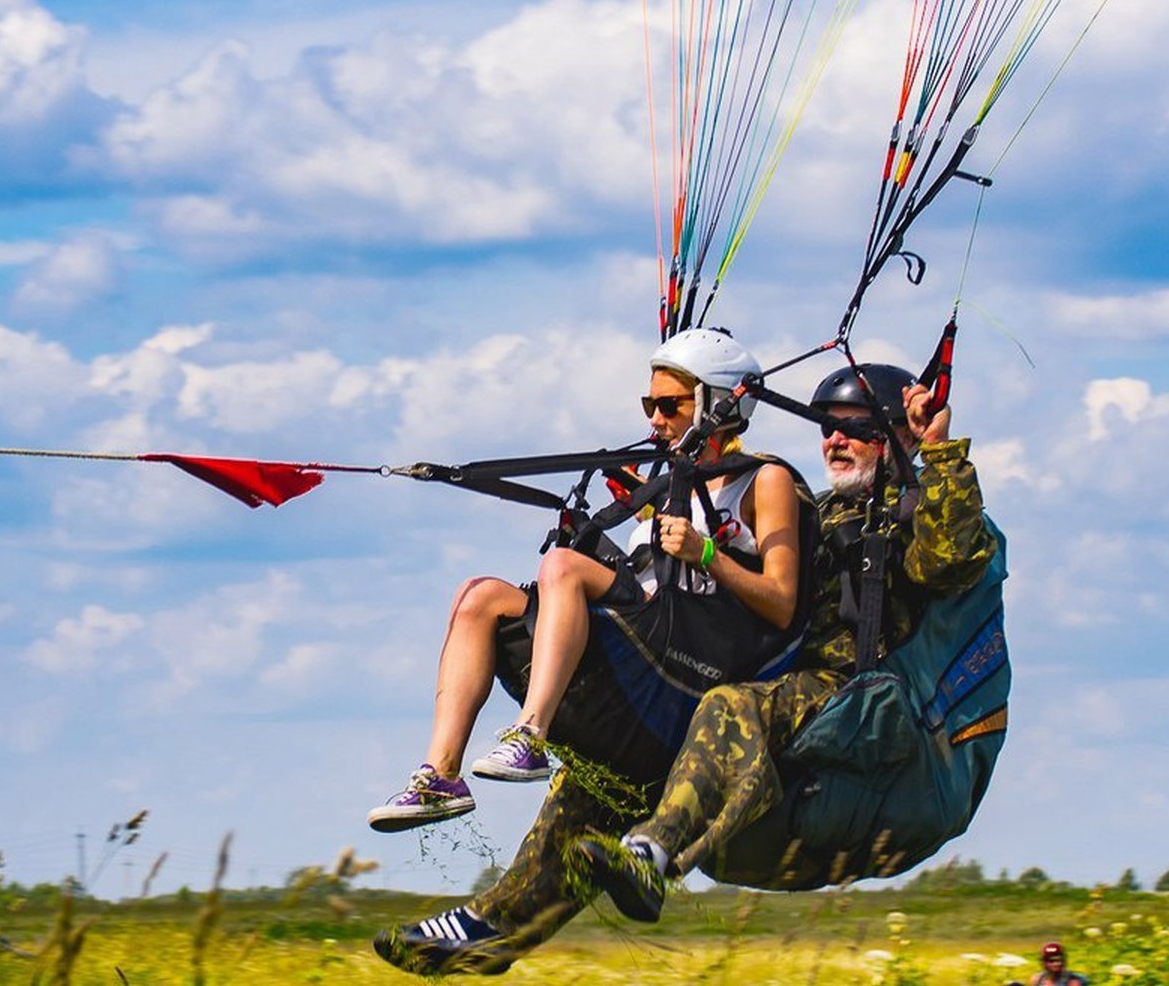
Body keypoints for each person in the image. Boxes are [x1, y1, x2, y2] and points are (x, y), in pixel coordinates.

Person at [375, 361, 995, 974]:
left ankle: (655, 853)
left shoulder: (922, 506)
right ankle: (493, 928)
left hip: (856, 699)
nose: (834, 440)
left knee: (729, 706)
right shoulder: (823, 510)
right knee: (601, 773)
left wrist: (937, 452)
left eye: (854, 426)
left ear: (896, 432)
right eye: (825, 427)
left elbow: (953, 560)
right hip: (778, 679)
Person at [368, 328, 815, 836]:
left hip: (692, 651)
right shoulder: (669, 475)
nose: (654, 419)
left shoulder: (764, 478)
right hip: (644, 625)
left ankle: (530, 736)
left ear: (715, 403)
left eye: (669, 405)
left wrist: (705, 552)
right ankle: (441, 776)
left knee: (562, 567)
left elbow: (781, 603)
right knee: (479, 596)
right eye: (649, 403)